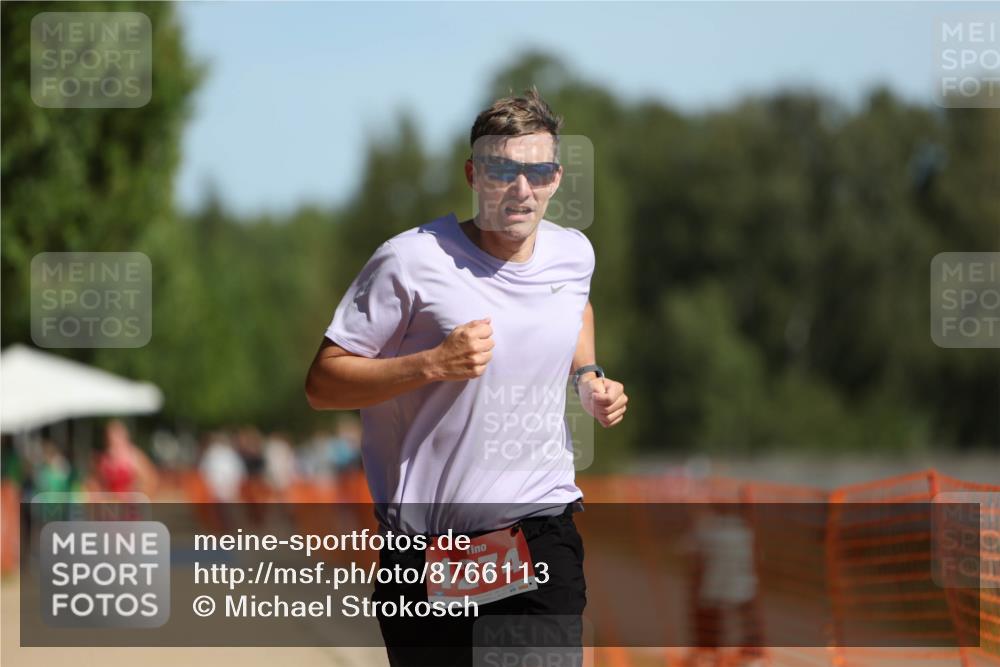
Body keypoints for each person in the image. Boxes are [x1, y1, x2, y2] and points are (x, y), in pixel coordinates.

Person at [306, 87, 628, 666]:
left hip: (538, 530)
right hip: (429, 548)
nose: (522, 188)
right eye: (503, 171)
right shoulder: (411, 260)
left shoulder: (573, 255)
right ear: (473, 174)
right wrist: (431, 364)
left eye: (539, 172)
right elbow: (323, 383)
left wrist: (587, 373)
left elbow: (575, 307)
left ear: (557, 178)